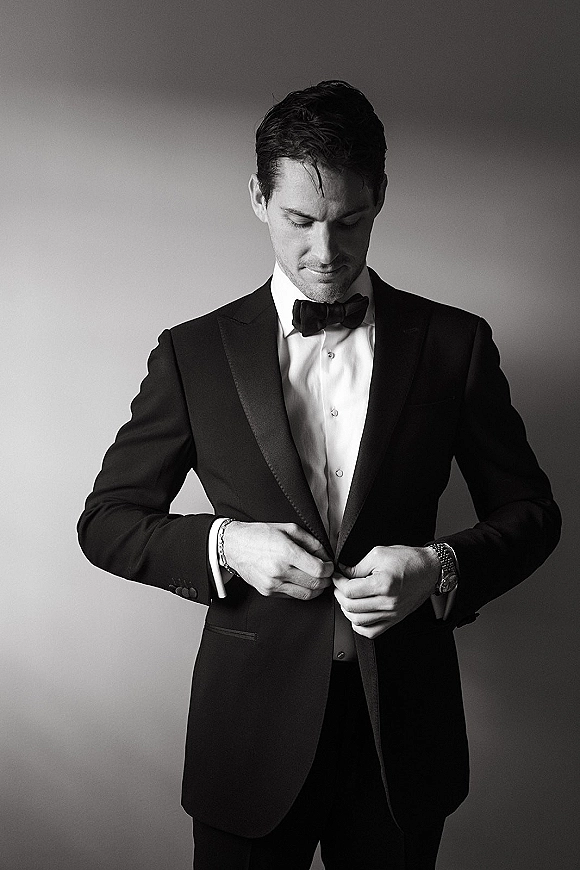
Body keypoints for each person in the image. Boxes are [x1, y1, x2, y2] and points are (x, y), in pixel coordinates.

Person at [78, 81, 561, 869]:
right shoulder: (193, 354)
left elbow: (532, 512)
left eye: (351, 221)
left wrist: (440, 567)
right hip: (248, 736)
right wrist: (229, 545)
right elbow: (106, 522)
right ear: (259, 198)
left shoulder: (455, 344)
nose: (327, 253)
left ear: (381, 199)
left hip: (403, 734)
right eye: (300, 221)